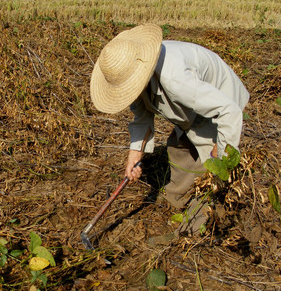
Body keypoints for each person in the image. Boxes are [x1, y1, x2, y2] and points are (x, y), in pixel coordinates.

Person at [90, 24, 249, 238]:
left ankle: (196, 227)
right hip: (193, 106)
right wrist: (134, 156)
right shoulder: (135, 78)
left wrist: (221, 155)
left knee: (209, 168)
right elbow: (142, 117)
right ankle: (177, 201)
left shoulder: (176, 79)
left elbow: (229, 111)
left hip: (219, 102)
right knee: (177, 148)